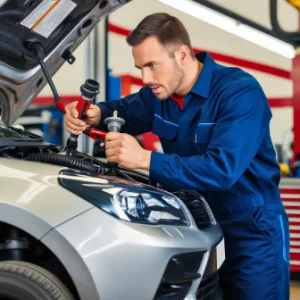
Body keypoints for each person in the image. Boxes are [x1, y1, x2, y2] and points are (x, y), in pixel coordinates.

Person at [64, 12, 290, 300]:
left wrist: (145, 160)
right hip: (202, 228)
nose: (145, 78)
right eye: (139, 67)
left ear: (182, 54)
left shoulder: (238, 92)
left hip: (253, 231)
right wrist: (95, 115)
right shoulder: (157, 97)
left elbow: (222, 169)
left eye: (151, 66)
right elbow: (123, 110)